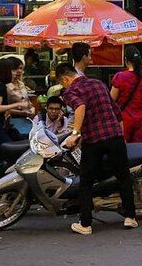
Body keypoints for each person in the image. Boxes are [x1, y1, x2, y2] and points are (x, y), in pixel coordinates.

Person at [57, 63, 137, 235]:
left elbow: (80, 107)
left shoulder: (70, 91)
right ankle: (130, 217)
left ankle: (85, 224)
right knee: (123, 176)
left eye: (62, 83)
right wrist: (120, 136)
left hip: (93, 139)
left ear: (65, 79)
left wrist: (75, 133)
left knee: (86, 182)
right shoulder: (98, 83)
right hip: (114, 135)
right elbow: (115, 110)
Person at [0, 58, 30, 159]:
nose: (14, 73)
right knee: (9, 154)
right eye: (12, 70)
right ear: (5, 72)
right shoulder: (0, 87)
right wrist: (17, 104)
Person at [110, 50, 142, 143]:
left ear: (126, 60)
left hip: (124, 119)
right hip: (141, 119)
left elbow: (111, 99)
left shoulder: (119, 76)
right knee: (139, 149)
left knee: (125, 147)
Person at [6, 56, 36, 138]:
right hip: (12, 123)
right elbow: (3, 108)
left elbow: (28, 102)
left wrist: (32, 109)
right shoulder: (5, 86)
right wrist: (21, 113)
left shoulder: (22, 84)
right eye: (15, 69)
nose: (19, 71)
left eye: (20, 68)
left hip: (26, 121)